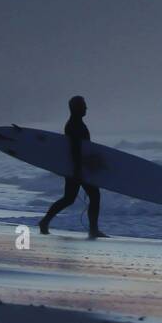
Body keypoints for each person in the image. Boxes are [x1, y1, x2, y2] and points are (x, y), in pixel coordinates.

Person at [38, 96, 105, 239]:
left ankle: (45, 222)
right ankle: (93, 230)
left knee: (69, 198)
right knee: (93, 195)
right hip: (77, 168)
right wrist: (78, 169)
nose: (86, 108)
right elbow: (75, 149)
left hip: (75, 167)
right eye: (83, 106)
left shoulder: (76, 123)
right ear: (76, 108)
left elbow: (83, 148)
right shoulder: (74, 125)